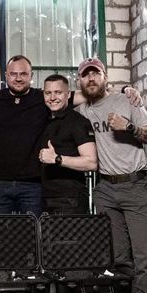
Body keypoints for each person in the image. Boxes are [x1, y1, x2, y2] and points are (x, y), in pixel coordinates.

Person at [0, 55, 141, 215]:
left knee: (32, 239)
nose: (18, 78)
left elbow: (90, 94)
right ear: (6, 75)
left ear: (31, 76)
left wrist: (123, 90)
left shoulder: (44, 98)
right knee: (0, 239)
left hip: (33, 185)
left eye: (23, 74)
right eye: (13, 74)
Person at [73, 57, 147, 293]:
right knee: (119, 260)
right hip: (105, 188)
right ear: (80, 81)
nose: (91, 79)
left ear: (105, 77)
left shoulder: (126, 100)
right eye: (86, 75)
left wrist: (129, 127)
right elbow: (59, 97)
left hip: (134, 186)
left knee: (145, 259)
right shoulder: (80, 111)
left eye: (96, 74)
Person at [37, 74, 98, 214]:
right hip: (46, 198)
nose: (52, 97)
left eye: (58, 92)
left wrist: (57, 159)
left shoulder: (78, 122)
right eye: (48, 93)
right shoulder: (45, 119)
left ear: (68, 95)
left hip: (70, 200)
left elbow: (91, 163)